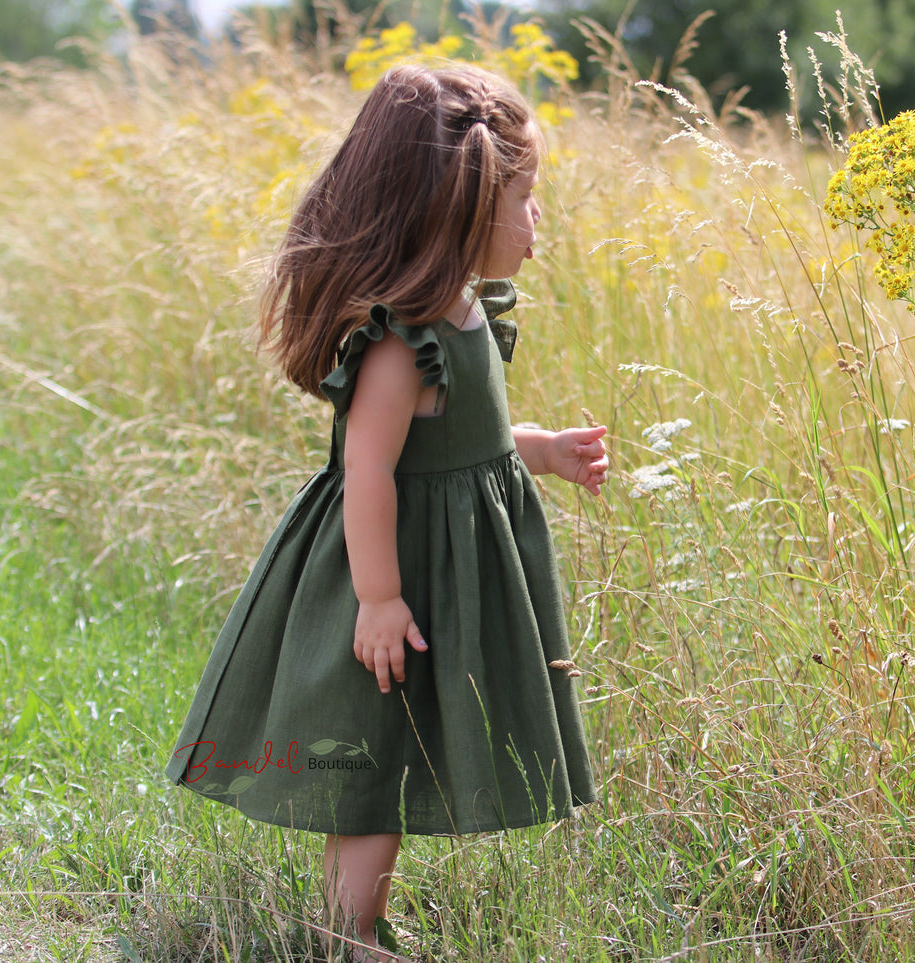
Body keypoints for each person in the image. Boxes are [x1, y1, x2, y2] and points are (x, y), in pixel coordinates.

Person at [165, 63, 607, 961]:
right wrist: (377, 597)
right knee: (368, 759)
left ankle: (357, 924)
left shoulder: (467, 314)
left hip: (441, 571)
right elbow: (368, 467)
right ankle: (347, 932)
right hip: (394, 575)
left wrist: (539, 448)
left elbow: (458, 443)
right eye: (524, 199)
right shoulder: (402, 343)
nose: (536, 224)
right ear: (457, 204)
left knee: (402, 751)